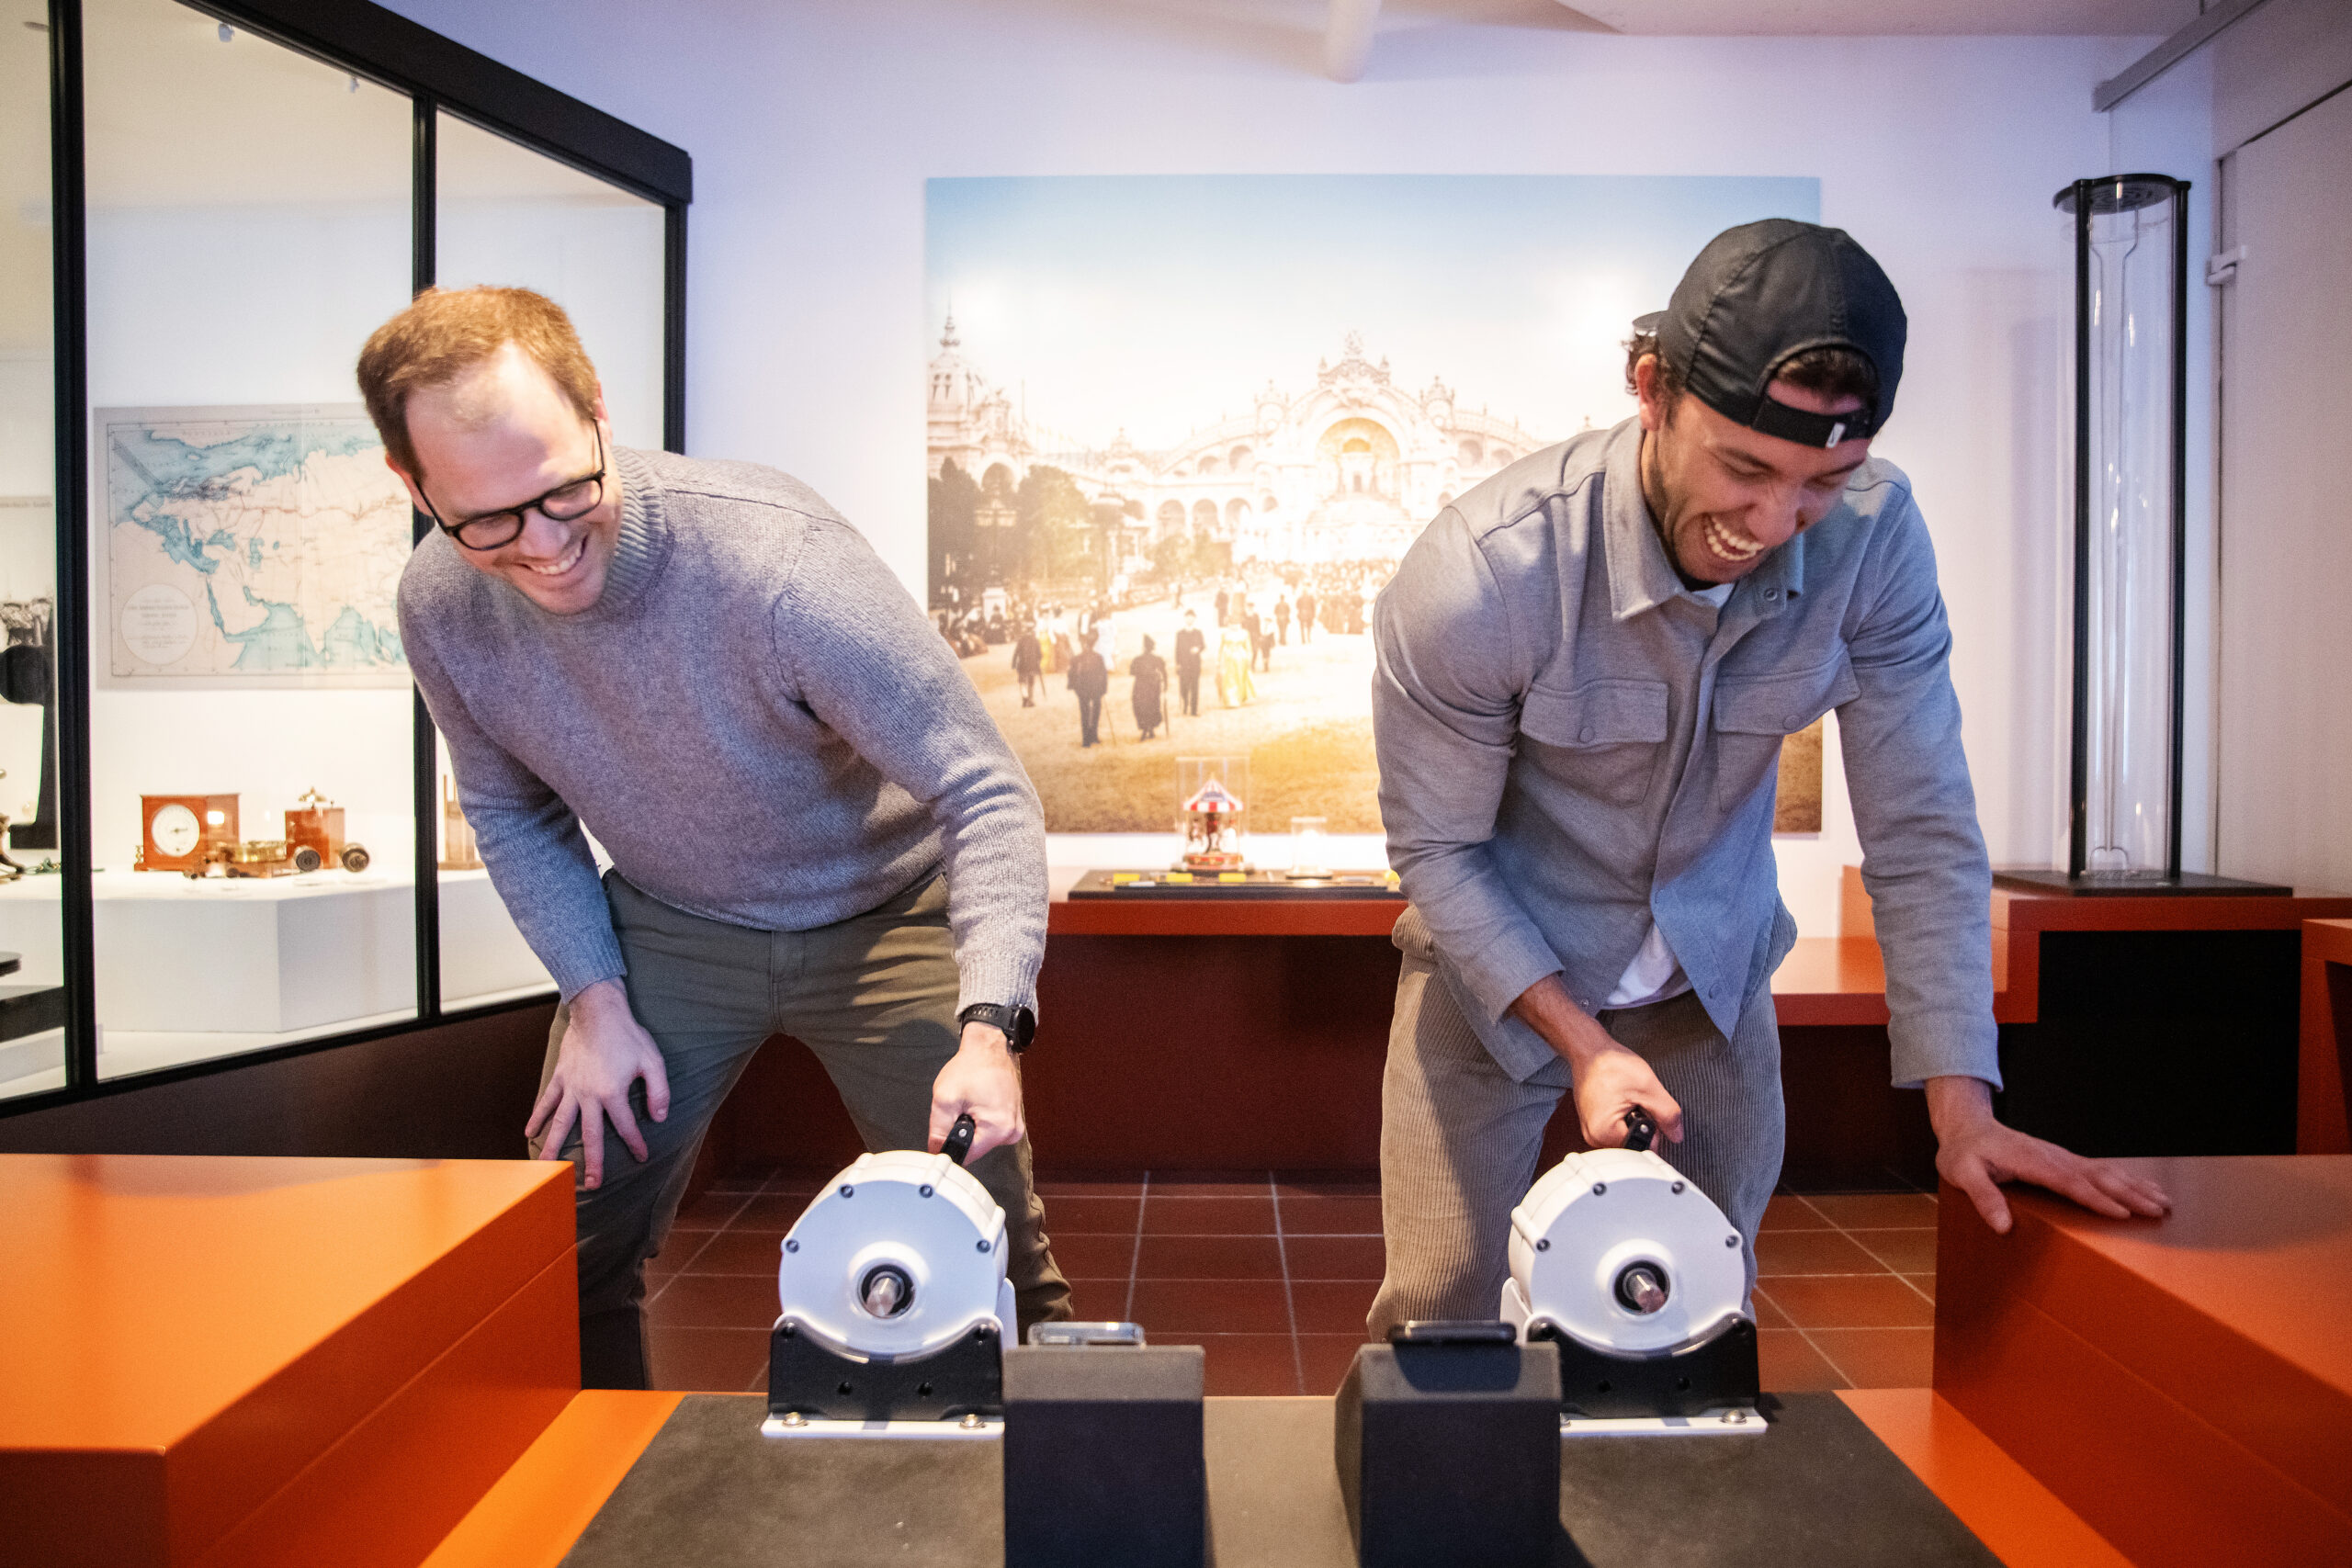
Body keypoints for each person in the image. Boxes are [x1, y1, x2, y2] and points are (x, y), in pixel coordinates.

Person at [1367, 220, 2168, 1337]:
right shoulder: (1485, 574)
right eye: (1742, 467)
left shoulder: (1877, 544)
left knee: (1693, 1310)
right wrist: (1585, 1043)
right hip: (1497, 977)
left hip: (1713, 978)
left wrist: (1962, 1107)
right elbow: (1438, 851)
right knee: (1442, 1315)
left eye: (1820, 484)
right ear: (1651, 389)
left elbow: (1920, 825)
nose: (1770, 523)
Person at [365, 285, 1071, 1388]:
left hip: (885, 914)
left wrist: (988, 1030)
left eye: (562, 491)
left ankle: (1051, 1489)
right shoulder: (438, 605)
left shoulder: (777, 561)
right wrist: (595, 1003)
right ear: (412, 486)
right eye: (485, 521)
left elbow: (982, 788)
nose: (543, 547)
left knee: (983, 1241)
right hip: (671, 927)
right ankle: (598, 1509)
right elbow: (510, 808)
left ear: (597, 407)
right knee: (564, 1241)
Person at [1069, 630, 1107, 748]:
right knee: (1094, 712)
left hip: (1085, 690)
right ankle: (1092, 736)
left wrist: (1074, 688)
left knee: (1085, 713)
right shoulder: (1097, 657)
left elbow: (1071, 676)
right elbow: (1104, 675)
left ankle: (1087, 739)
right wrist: (1103, 689)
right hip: (1094, 689)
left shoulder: (1077, 659)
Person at [1130, 636, 1168, 740]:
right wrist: (1165, 686)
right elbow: (1164, 673)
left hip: (1141, 687)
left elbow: (1132, 672)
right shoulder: (1157, 659)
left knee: (1141, 707)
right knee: (1152, 706)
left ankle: (1146, 729)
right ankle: (1149, 728)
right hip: (1152, 687)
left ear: (1144, 648)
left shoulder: (1138, 659)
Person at [1216, 616, 1255, 707]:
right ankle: (1230, 699)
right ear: (1229, 625)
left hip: (1241, 657)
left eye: (1237, 624)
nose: (1235, 626)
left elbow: (1248, 647)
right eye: (1232, 624)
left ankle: (1239, 697)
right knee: (1229, 678)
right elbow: (1220, 648)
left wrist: (1249, 658)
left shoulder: (1244, 634)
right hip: (1228, 657)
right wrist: (1218, 660)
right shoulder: (1225, 634)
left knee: (1240, 677)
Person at [1175, 610, 1205, 716]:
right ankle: (1185, 705)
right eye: (1188, 617)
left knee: (1195, 687)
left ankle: (1194, 710)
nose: (1189, 619)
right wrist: (1177, 664)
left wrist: (1198, 649)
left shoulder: (1198, 633)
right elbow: (1177, 649)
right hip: (1183, 664)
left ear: (1194, 619)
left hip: (1195, 664)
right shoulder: (1180, 634)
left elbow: (1203, 645)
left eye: (1192, 617)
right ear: (1185, 618)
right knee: (1183, 687)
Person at [1012, 621, 1042, 707]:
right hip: (1032, 665)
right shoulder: (1036, 640)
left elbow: (1016, 652)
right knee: (1031, 682)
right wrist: (1038, 663)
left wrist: (1013, 663)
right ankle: (1030, 700)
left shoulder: (1021, 640)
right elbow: (1040, 654)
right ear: (1032, 630)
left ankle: (1025, 697)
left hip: (1022, 664)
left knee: (1022, 682)